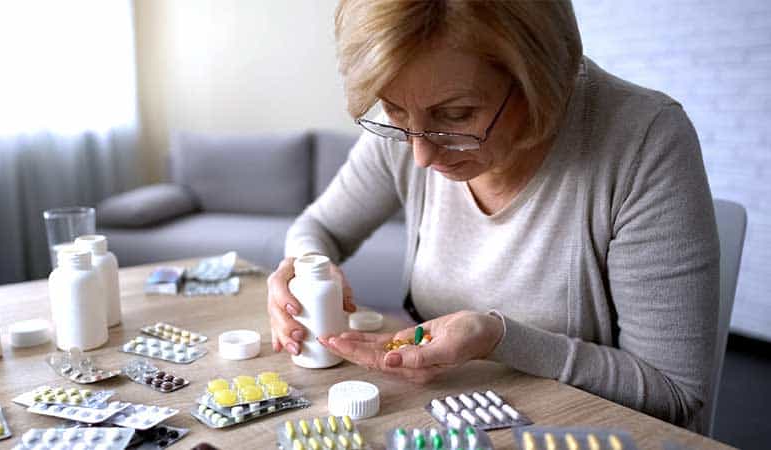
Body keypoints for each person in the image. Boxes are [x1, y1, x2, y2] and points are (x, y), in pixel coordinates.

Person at [266, 0, 719, 431]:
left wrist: (500, 338)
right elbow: (318, 228)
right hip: (447, 417)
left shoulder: (644, 143)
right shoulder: (412, 128)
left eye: (457, 115)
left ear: (543, 79)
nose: (421, 154)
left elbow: (674, 395)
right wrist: (305, 268)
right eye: (395, 109)